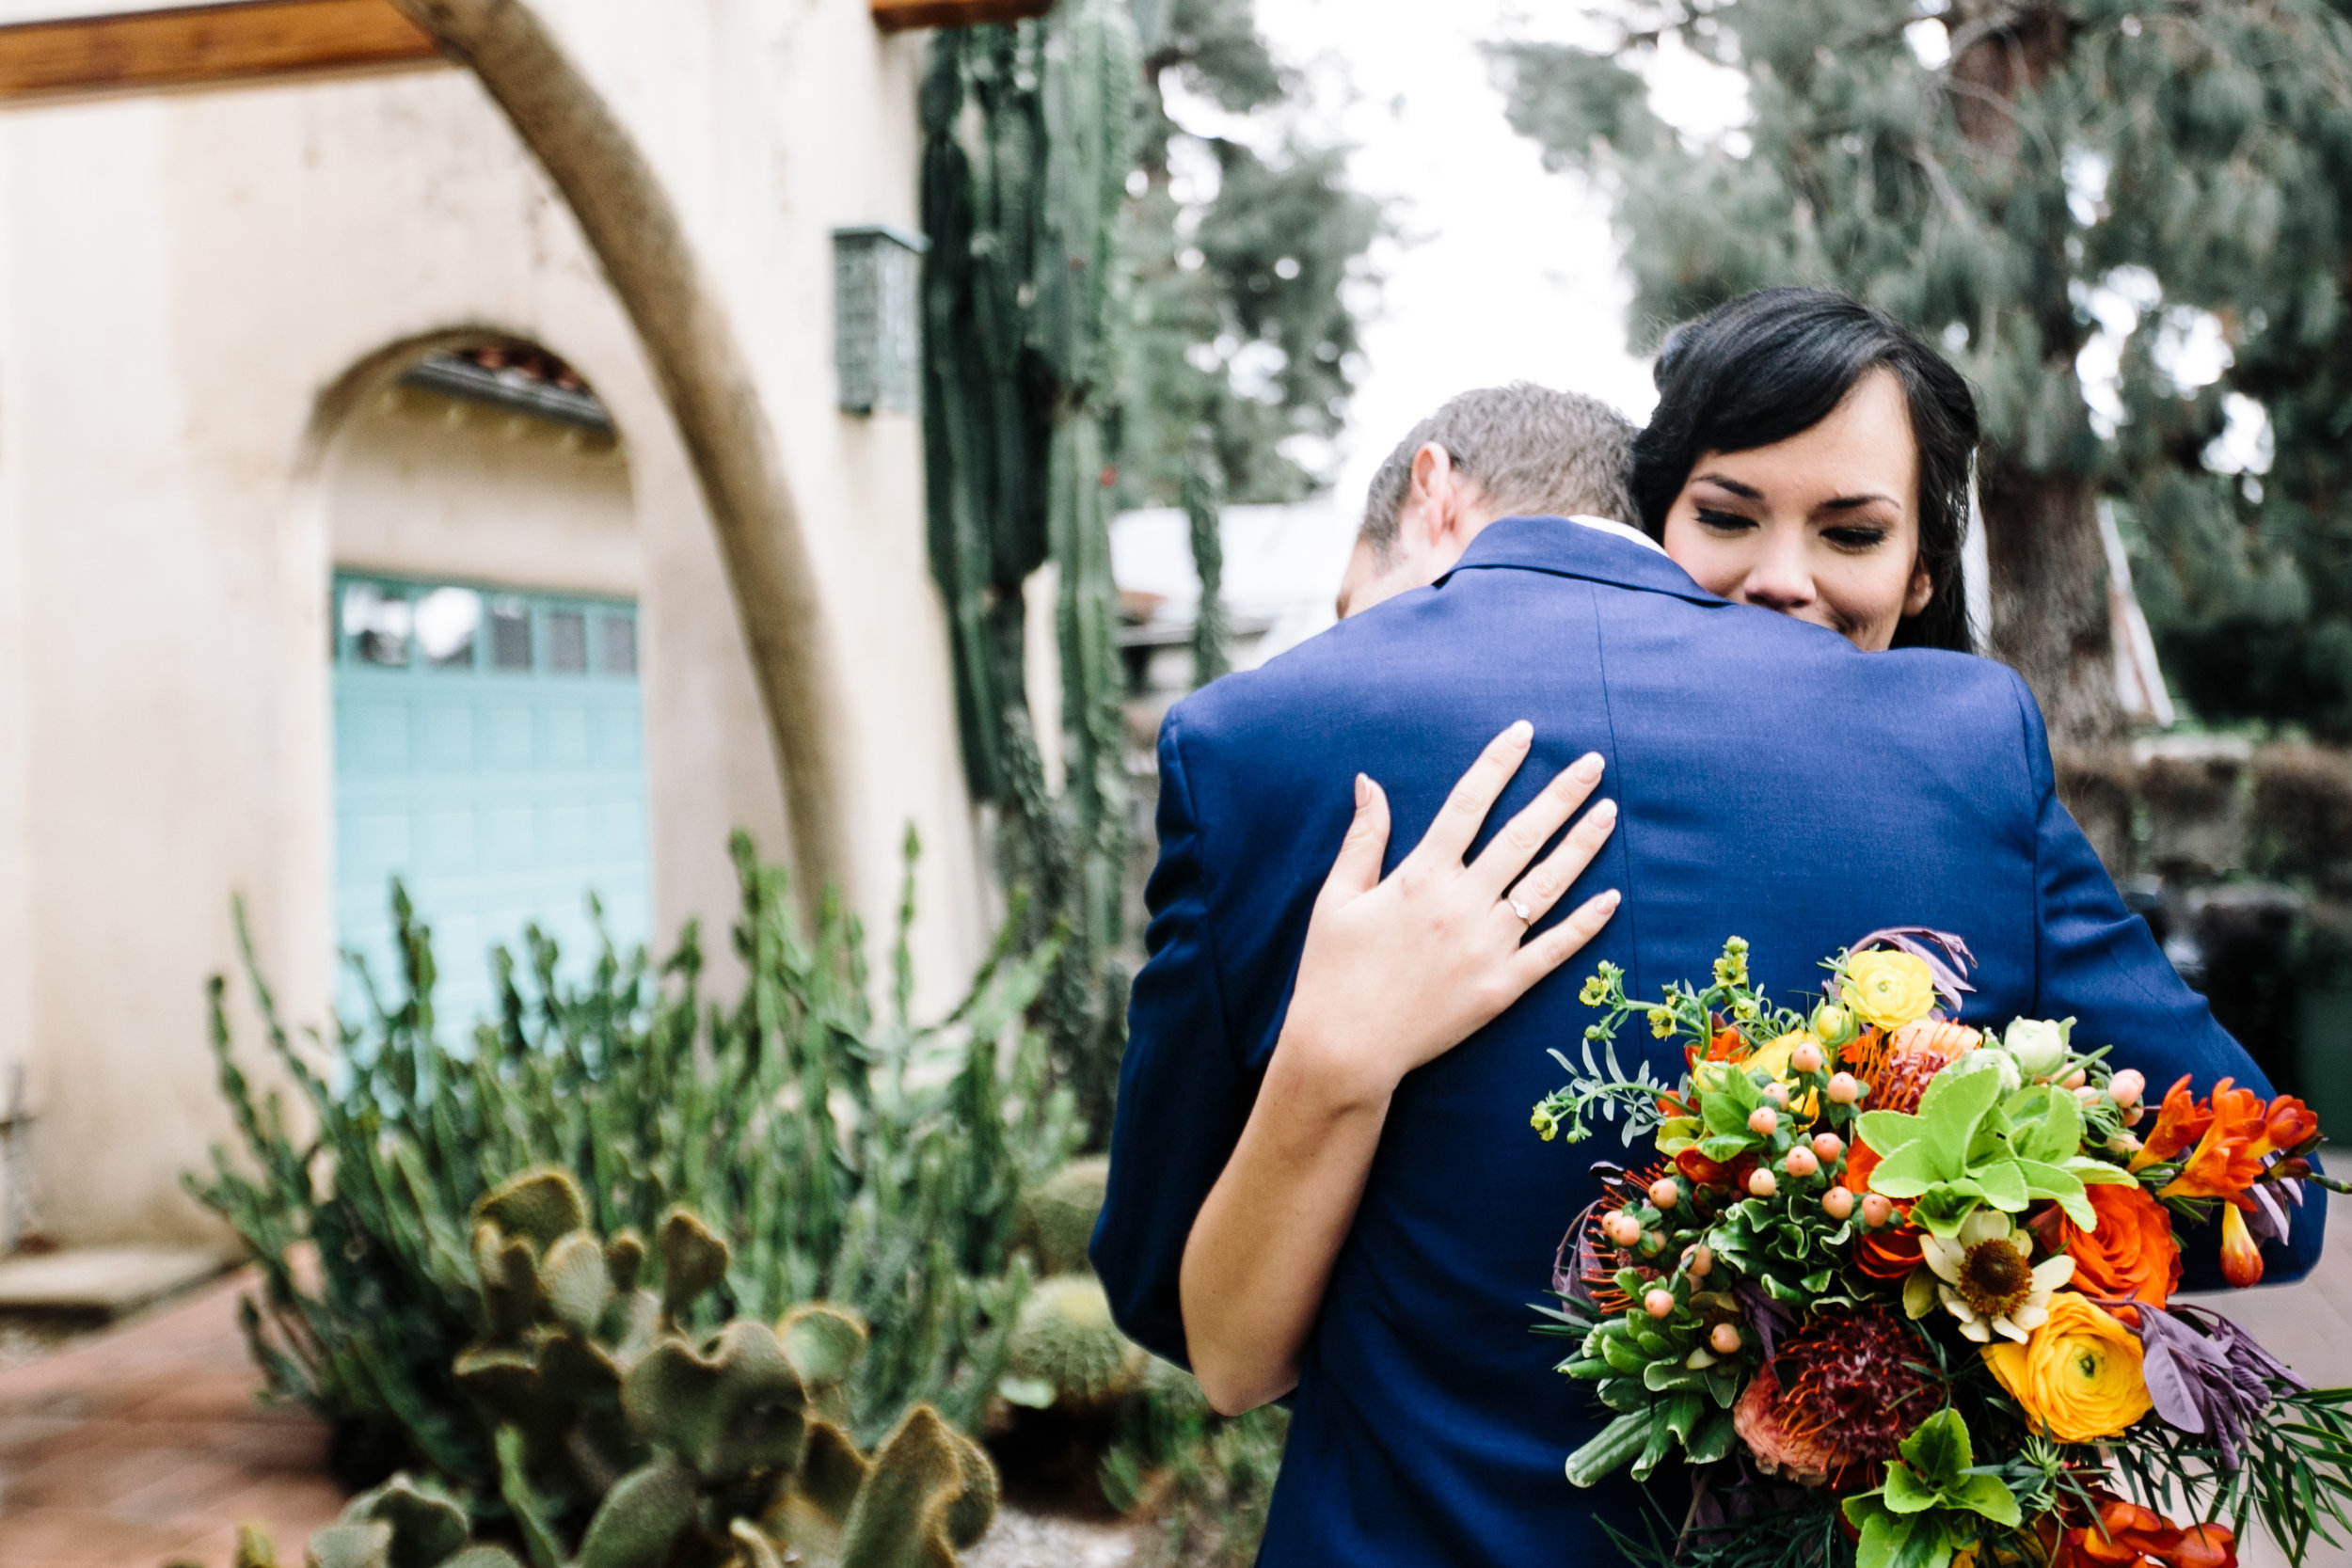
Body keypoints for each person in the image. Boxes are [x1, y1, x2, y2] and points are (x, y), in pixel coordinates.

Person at [1090, 286, 2323, 1565]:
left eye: (1850, 532)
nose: (1783, 580)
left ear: (1433, 495)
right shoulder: (1962, 749)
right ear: (1655, 506)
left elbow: (1175, 1308)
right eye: (1733, 517)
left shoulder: (1252, 742)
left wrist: (1911, 1226)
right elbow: (2269, 1203)